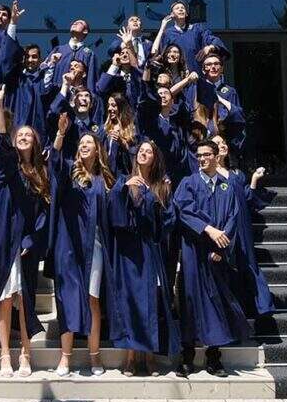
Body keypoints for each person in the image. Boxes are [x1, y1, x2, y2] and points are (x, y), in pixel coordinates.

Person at [0, 81, 52, 378]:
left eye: (27, 136)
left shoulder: (41, 173)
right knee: (5, 297)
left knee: (26, 298)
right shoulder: (9, 166)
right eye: (19, 134)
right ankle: (5, 354)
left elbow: (45, 213)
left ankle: (26, 353)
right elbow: (0, 139)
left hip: (26, 242)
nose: (22, 138)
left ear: (35, 142)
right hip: (4, 237)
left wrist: (33, 238)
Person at [172, 139, 250, 376]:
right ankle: (186, 356)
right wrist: (209, 230)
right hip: (193, 252)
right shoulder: (189, 183)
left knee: (216, 304)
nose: (202, 159)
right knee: (190, 301)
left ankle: (213, 357)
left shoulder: (227, 187)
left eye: (207, 155)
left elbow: (232, 219)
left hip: (216, 256)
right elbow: (183, 210)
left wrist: (221, 248)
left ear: (217, 157)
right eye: (199, 155)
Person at [47, 113, 114, 376]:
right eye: (82, 142)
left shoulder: (104, 179)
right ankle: (65, 357)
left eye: (90, 142)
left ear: (97, 149)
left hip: (94, 246)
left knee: (92, 299)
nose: (85, 145)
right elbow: (54, 163)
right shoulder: (68, 173)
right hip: (69, 246)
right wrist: (61, 135)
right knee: (66, 299)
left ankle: (94, 356)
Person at [107, 139, 181, 375]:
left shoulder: (161, 185)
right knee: (129, 301)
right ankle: (130, 356)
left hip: (150, 249)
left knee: (150, 302)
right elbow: (114, 215)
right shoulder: (123, 180)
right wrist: (124, 188)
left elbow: (168, 221)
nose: (144, 154)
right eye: (141, 151)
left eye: (149, 151)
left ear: (154, 158)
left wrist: (156, 197)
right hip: (128, 251)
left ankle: (148, 355)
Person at [215, 134, 274, 318]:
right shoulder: (208, 176)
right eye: (218, 143)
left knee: (248, 263)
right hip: (222, 226)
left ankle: (261, 307)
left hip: (242, 225)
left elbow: (248, 198)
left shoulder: (237, 174)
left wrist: (254, 179)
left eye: (224, 142)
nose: (223, 145)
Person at [195, 51, 246, 166]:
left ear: (222, 69)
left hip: (224, 143)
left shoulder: (229, 92)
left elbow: (238, 117)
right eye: (209, 64)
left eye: (216, 64)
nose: (213, 67)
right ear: (203, 70)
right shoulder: (197, 90)